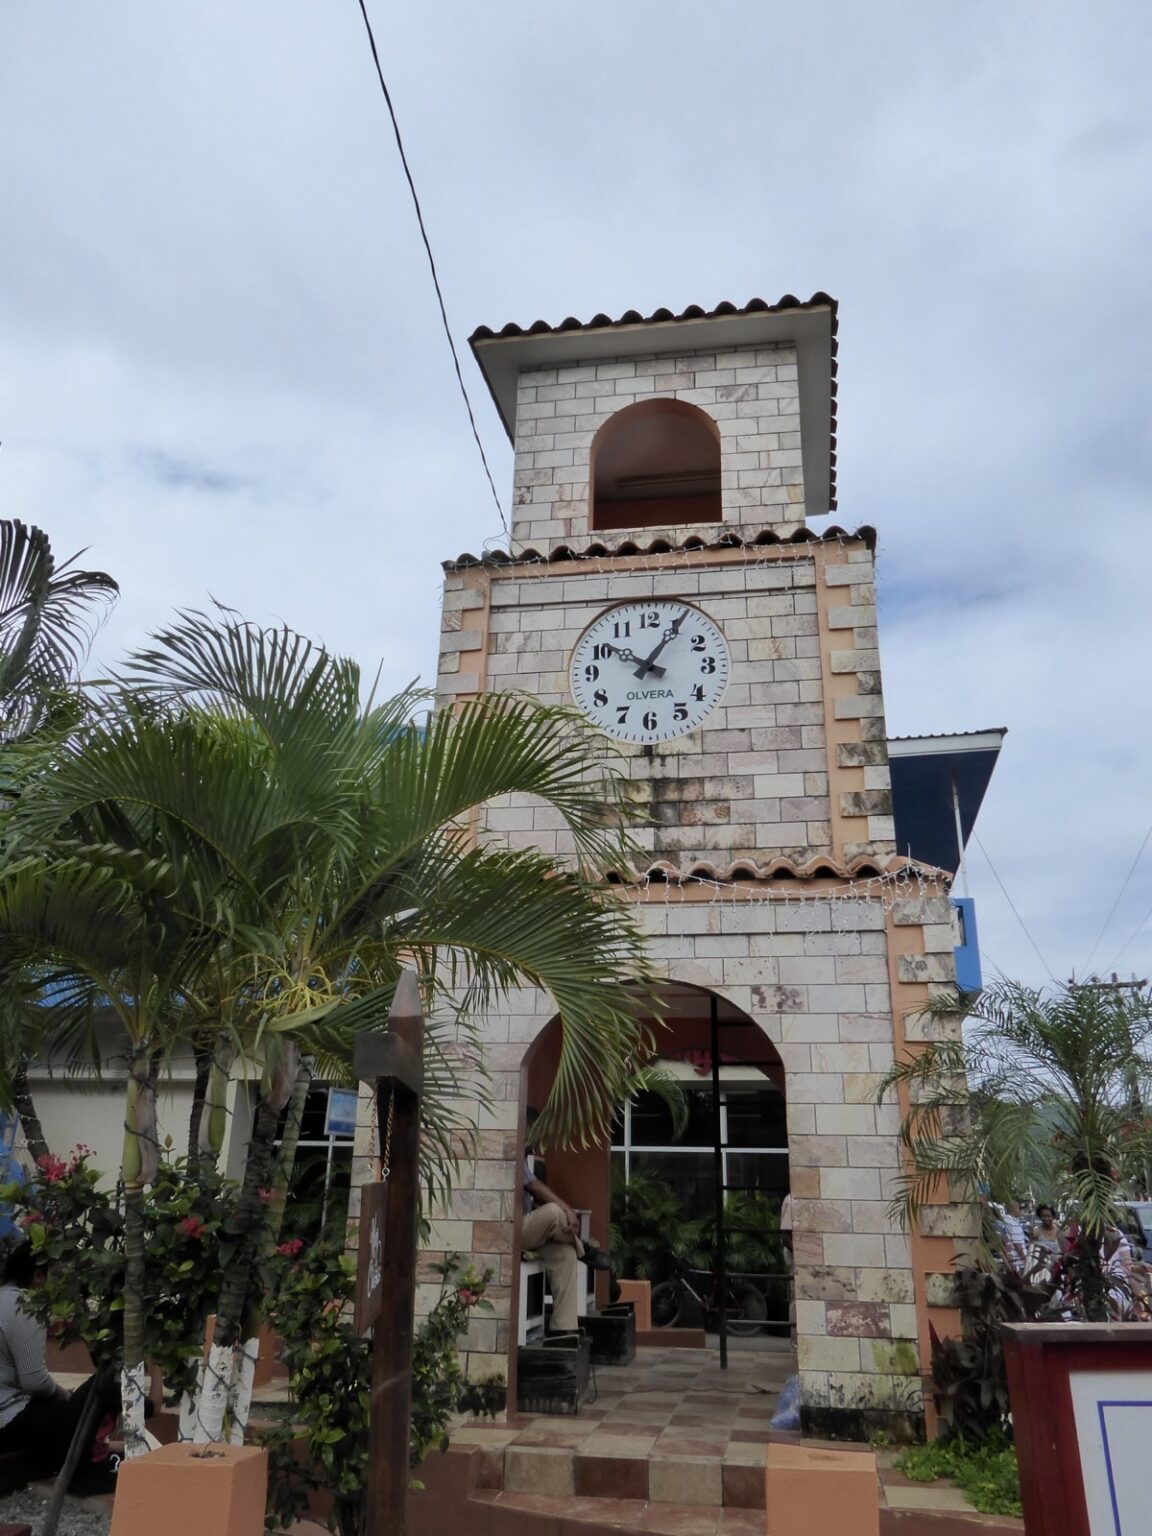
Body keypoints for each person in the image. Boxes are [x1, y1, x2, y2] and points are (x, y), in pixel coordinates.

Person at [0, 1242, 120, 1493]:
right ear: (38, 1276)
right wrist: (61, 1394)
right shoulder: (25, 1305)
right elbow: (33, 1380)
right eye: (55, 1275)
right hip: (7, 1419)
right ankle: (84, 1475)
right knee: (81, 1404)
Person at [521, 1125, 610, 1335]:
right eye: (533, 1138)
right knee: (555, 1211)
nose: (536, 1144)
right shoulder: (511, 1153)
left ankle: (564, 1330)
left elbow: (529, 1197)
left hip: (528, 1229)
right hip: (509, 1232)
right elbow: (533, 1186)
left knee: (566, 1254)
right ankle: (584, 1249)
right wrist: (568, 1209)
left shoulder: (524, 1159)